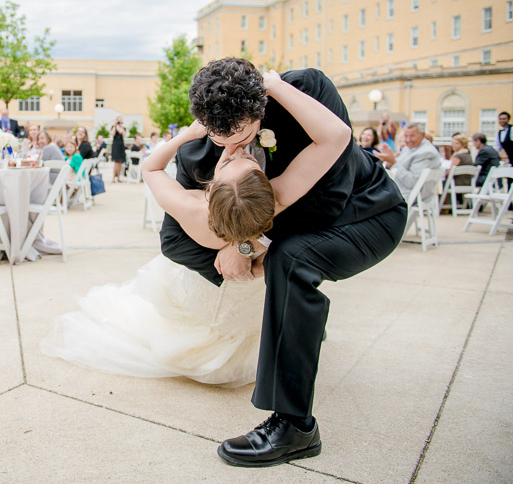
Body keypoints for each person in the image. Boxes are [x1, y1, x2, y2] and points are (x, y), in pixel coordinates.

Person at [159, 58, 406, 467]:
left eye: (236, 132)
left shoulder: (306, 90)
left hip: (367, 213)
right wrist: (236, 248)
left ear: (259, 108)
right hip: (300, 225)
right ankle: (299, 330)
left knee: (290, 259)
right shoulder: (202, 148)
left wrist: (244, 245)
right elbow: (175, 238)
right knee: (279, 261)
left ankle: (296, 427)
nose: (227, 146)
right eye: (215, 135)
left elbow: (330, 200)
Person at [43, 117, 277, 386]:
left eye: (226, 162)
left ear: (210, 189)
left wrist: (185, 135)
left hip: (209, 297)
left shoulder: (193, 208)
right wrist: (250, 250)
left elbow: (151, 168)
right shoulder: (277, 203)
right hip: (248, 304)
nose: (234, 151)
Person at [374, 123, 442, 200]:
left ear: (422, 135)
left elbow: (411, 182)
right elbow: (398, 167)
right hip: (402, 191)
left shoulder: (426, 152)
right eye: (406, 136)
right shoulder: (410, 148)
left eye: (412, 136)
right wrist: (389, 160)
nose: (408, 140)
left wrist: (393, 162)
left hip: (410, 196)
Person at [496, 111, 513, 188]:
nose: (502, 121)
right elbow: (497, 148)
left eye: (504, 119)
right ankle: (511, 199)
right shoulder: (499, 133)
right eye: (500, 119)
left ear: (508, 119)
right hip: (512, 161)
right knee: (510, 182)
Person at [110, 116, 126, 182]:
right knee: (116, 162)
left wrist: (121, 126)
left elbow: (124, 135)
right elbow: (112, 134)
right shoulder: (113, 127)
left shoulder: (123, 128)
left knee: (120, 162)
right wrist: (115, 126)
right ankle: (113, 177)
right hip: (115, 146)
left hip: (121, 146)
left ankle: (119, 177)